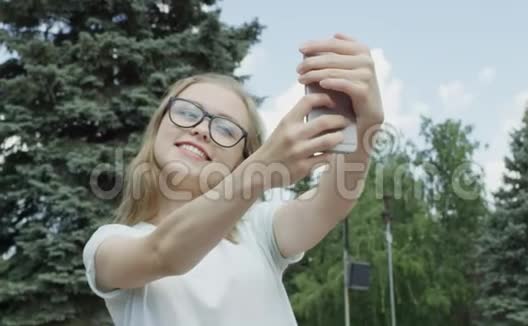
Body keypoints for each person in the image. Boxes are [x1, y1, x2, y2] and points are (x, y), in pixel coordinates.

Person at [83, 33, 384, 326]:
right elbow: (162, 254)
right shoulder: (110, 242)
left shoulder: (259, 230)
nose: (201, 129)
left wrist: (367, 124)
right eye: (187, 112)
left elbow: (330, 203)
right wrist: (260, 170)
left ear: (241, 158)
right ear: (159, 124)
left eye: (226, 129)